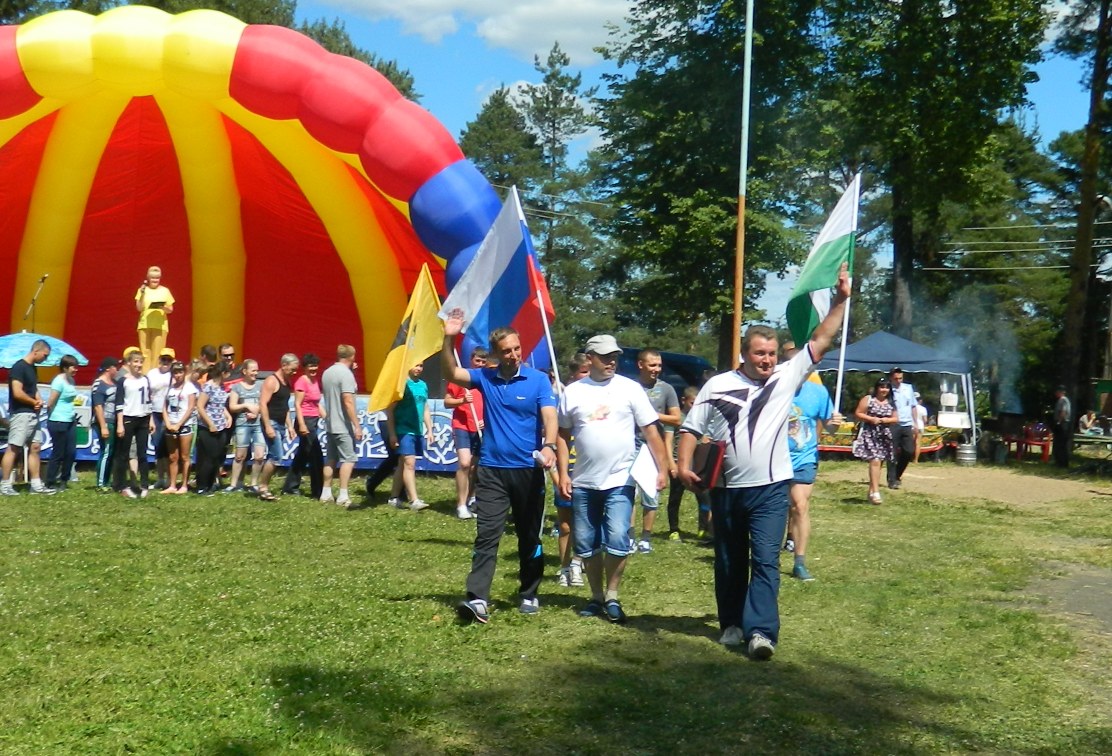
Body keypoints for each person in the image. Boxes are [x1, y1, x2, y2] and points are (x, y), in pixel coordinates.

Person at [676, 263, 851, 661]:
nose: (767, 360)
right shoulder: (718, 386)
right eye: (760, 353)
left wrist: (841, 299)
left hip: (772, 488)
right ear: (744, 353)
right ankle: (732, 624)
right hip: (725, 489)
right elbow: (689, 429)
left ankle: (761, 633)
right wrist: (683, 467)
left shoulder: (787, 377)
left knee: (767, 560)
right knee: (728, 559)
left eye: (772, 353)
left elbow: (822, 339)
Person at [442, 309, 558, 624]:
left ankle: (529, 592)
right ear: (495, 354)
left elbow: (550, 416)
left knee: (529, 535)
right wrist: (450, 336)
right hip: (492, 470)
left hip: (528, 471)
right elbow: (452, 373)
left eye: (517, 349)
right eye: (506, 351)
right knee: (487, 534)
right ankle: (477, 598)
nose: (513, 355)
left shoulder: (537, 381)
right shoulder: (486, 378)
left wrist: (549, 445)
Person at [558, 335, 669, 624]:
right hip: (583, 480)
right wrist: (562, 473)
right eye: (605, 356)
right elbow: (562, 434)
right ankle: (595, 597)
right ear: (590, 357)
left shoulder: (630, 389)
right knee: (586, 541)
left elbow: (651, 430)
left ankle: (612, 594)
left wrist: (662, 468)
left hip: (621, 478)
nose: (611, 362)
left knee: (619, 536)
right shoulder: (573, 392)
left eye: (615, 357)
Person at [785, 375, 842, 582]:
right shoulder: (773, 388)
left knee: (800, 506)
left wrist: (834, 423)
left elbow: (830, 427)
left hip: (804, 458)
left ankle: (799, 562)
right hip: (773, 459)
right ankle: (767, 558)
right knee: (772, 508)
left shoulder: (818, 392)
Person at [632, 349, 681, 553]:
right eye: (652, 365)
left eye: (659, 365)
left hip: (654, 445)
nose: (656, 369)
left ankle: (646, 537)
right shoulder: (631, 388)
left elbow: (676, 418)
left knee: (651, 493)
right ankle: (629, 536)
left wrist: (650, 415)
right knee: (629, 491)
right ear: (640, 365)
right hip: (632, 443)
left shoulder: (667, 389)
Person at [553, 352, 590, 587]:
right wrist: (557, 476)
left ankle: (578, 563)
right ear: (574, 375)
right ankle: (564, 567)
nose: (587, 376)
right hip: (566, 472)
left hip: (588, 473)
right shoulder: (561, 403)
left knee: (584, 523)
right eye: (583, 372)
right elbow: (553, 443)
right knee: (565, 524)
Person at [0, 339, 53, 496]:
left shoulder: (32, 369)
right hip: (21, 412)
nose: (46, 359)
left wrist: (39, 400)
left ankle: (36, 484)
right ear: (36, 351)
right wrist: (32, 401)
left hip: (33, 413)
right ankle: (5, 484)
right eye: (45, 355)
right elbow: (17, 392)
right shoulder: (18, 367)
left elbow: (33, 388)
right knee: (14, 447)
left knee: (35, 447)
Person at [444, 348, 487, 519]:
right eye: (478, 361)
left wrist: (487, 420)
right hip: (461, 425)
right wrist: (461, 400)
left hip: (480, 427)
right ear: (471, 360)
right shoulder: (461, 378)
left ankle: (471, 498)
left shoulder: (487, 380)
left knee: (475, 467)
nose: (480, 364)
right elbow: (447, 402)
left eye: (483, 362)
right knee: (464, 463)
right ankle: (461, 504)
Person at [666, 386, 712, 542]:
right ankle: (674, 529)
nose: (695, 406)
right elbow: (669, 442)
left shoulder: (701, 418)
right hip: (678, 463)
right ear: (683, 401)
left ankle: (703, 528)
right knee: (675, 498)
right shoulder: (677, 418)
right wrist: (671, 463)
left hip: (696, 465)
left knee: (703, 497)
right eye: (692, 403)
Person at [386, 363, 433, 511]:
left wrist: (430, 430)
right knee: (409, 463)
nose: (419, 369)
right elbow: (390, 410)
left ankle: (394, 497)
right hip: (403, 429)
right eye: (416, 365)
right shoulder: (401, 385)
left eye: (421, 366)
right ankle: (414, 500)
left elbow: (425, 408)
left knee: (402, 464)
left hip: (417, 430)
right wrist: (393, 433)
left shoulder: (423, 385)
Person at [320, 345, 363, 508]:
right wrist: (356, 425)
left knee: (331, 458)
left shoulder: (328, 372)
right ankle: (343, 494)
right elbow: (347, 400)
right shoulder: (346, 375)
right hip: (343, 425)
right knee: (349, 459)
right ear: (352, 356)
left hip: (330, 423)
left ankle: (326, 492)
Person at [283, 353, 325, 499]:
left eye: (315, 366)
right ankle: (318, 491)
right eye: (310, 366)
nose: (313, 369)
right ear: (305, 368)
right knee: (316, 455)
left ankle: (290, 486)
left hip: (314, 420)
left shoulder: (315, 381)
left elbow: (316, 403)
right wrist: (301, 424)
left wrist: (326, 417)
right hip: (305, 421)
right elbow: (297, 404)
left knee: (303, 455)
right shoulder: (302, 381)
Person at [113, 349, 154, 499]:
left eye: (140, 362)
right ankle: (122, 485)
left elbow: (149, 400)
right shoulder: (123, 381)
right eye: (135, 362)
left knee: (142, 453)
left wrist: (151, 419)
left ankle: (144, 485)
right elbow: (119, 403)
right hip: (128, 418)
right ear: (129, 363)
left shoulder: (145, 379)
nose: (138, 365)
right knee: (123, 454)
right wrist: (120, 423)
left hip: (143, 418)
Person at [258, 353, 298, 501]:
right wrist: (268, 426)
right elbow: (262, 404)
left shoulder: (287, 382)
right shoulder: (271, 381)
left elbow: (285, 406)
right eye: (292, 369)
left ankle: (263, 485)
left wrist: (290, 426)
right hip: (272, 422)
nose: (294, 373)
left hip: (281, 423)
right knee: (277, 456)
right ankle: (263, 487)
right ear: (284, 365)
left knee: (274, 455)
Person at [852, 378, 898, 504]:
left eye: (887, 387)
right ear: (877, 388)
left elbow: (895, 418)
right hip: (870, 433)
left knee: (879, 462)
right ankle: (876, 493)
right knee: (875, 461)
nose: (884, 390)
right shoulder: (868, 399)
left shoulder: (891, 402)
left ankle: (872, 490)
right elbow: (858, 413)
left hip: (884, 435)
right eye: (882, 387)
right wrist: (871, 419)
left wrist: (884, 420)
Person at [227, 359, 266, 493]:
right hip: (242, 424)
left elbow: (265, 404)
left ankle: (254, 483)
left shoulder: (261, 385)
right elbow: (232, 406)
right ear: (245, 371)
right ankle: (234, 484)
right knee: (240, 456)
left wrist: (257, 412)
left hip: (258, 425)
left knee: (259, 456)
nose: (256, 373)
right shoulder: (237, 387)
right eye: (253, 370)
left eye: (257, 370)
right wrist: (245, 406)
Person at [45, 354, 80, 491]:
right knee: (58, 453)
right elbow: (51, 402)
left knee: (71, 452)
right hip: (58, 420)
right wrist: (52, 416)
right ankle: (50, 481)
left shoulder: (71, 380)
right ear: (65, 368)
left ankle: (64, 479)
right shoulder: (58, 381)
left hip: (70, 420)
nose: (75, 370)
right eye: (73, 367)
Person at [162, 361, 197, 494]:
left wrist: (179, 424)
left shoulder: (190, 388)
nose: (178, 375)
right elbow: (164, 408)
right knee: (173, 457)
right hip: (171, 425)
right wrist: (168, 423)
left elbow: (190, 407)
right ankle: (172, 485)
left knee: (185, 456)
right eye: (175, 373)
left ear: (184, 373)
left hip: (185, 425)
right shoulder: (169, 389)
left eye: (180, 372)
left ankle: (184, 485)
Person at [195, 364, 231, 496]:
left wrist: (227, 416)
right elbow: (200, 406)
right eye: (228, 373)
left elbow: (220, 405)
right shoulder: (209, 386)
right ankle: (202, 486)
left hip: (220, 426)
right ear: (222, 373)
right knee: (209, 457)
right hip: (207, 427)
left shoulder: (222, 386)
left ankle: (210, 485)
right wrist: (210, 424)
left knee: (217, 457)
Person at [135, 266, 175, 369]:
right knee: (145, 351)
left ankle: (154, 374)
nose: (155, 280)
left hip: (160, 325)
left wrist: (164, 307)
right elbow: (139, 308)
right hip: (144, 324)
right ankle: (144, 374)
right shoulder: (142, 290)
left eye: (157, 278)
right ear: (148, 278)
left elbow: (170, 309)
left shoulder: (165, 290)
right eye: (153, 278)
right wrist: (142, 294)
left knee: (158, 352)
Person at [147, 347, 175, 489]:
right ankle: (160, 478)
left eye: (169, 360)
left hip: (170, 414)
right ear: (159, 360)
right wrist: (150, 417)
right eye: (163, 359)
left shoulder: (175, 374)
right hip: (155, 413)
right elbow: (147, 396)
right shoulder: (151, 374)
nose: (165, 362)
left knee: (169, 448)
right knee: (158, 446)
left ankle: (171, 479)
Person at [90, 357, 120, 492]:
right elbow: (98, 406)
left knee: (112, 453)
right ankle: (101, 483)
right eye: (115, 367)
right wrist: (103, 426)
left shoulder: (114, 383)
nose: (117, 369)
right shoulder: (99, 384)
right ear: (108, 368)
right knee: (106, 451)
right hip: (104, 421)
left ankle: (108, 481)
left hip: (114, 421)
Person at [887, 367, 916, 489]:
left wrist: (916, 423)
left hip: (907, 424)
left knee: (908, 451)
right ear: (891, 378)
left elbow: (913, 406)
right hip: (893, 424)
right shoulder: (887, 390)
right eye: (896, 378)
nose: (898, 381)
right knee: (892, 453)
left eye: (900, 378)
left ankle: (898, 474)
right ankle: (892, 479)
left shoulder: (908, 388)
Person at [1053, 385, 1072, 468]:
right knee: (1060, 444)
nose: (1056, 393)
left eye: (1058, 391)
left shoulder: (1063, 400)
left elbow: (1063, 412)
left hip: (1063, 424)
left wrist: (1059, 422)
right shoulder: (1062, 400)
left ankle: (1062, 463)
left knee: (1061, 444)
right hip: (1063, 423)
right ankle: (1060, 462)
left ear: (1061, 392)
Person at [911, 392, 929, 463]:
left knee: (911, 443)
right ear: (919, 400)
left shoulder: (910, 408)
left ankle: (909, 457)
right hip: (920, 426)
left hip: (911, 426)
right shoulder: (923, 409)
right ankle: (916, 460)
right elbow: (925, 420)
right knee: (918, 443)